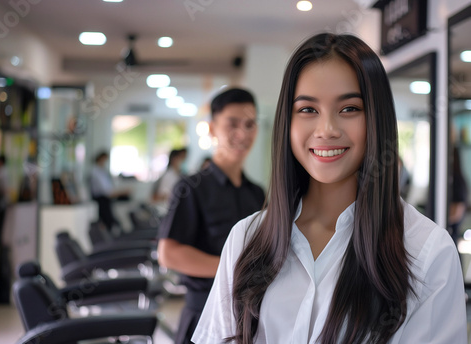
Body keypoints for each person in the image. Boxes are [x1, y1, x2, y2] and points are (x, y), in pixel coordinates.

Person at [192, 33, 467, 344]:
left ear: (377, 118)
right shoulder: (246, 239)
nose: (327, 130)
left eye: (349, 109)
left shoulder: (426, 252)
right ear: (288, 122)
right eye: (308, 110)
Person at [157, 88, 265, 344]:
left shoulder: (257, 193)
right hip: (203, 317)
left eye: (250, 124)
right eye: (233, 124)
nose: (243, 133)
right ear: (212, 128)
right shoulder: (191, 188)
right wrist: (234, 269)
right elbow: (168, 253)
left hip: (250, 319)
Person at [90, 151, 130, 230]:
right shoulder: (96, 172)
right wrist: (122, 192)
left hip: (106, 199)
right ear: (101, 159)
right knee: (108, 222)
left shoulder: (102, 171)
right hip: (101, 200)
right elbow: (107, 191)